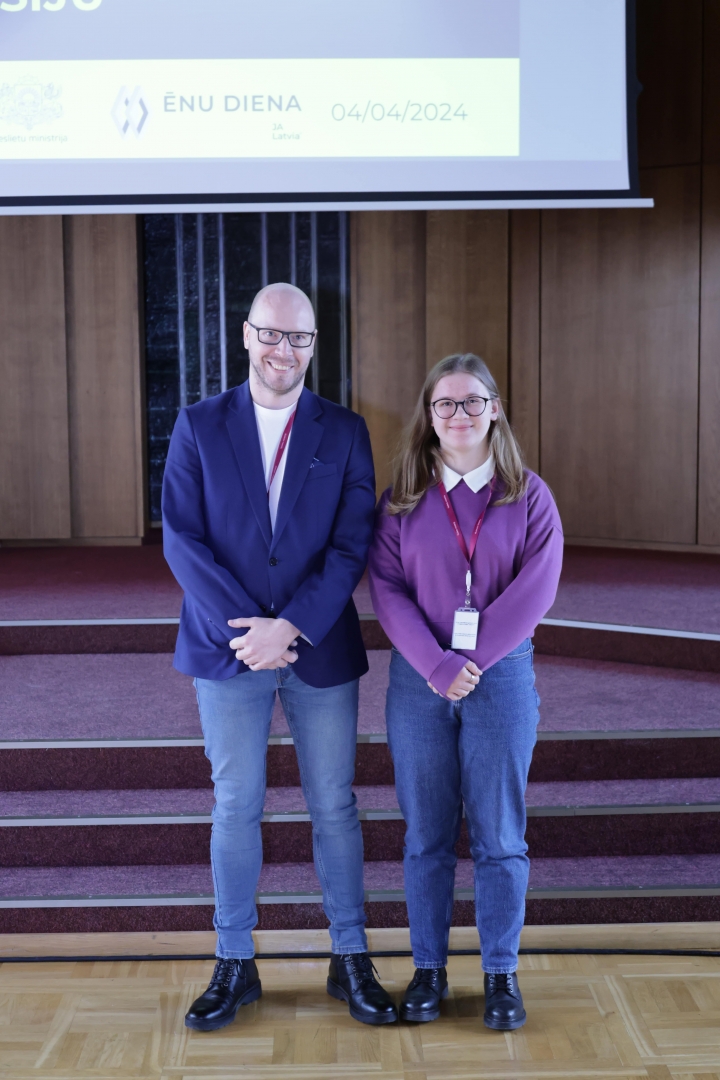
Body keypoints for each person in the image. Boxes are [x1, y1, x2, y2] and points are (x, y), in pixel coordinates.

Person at [163, 282, 398, 1030]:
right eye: (271, 334)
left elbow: (352, 544)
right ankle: (234, 961)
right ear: (246, 335)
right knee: (236, 804)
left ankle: (350, 958)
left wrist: (289, 627)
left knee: (334, 804)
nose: (283, 350)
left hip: (317, 645)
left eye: (299, 338)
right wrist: (251, 631)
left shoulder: (345, 430)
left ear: (313, 345)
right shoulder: (199, 424)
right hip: (227, 645)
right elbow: (181, 538)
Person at [368, 352, 563, 1031]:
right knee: (426, 835)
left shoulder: (528, 495)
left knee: (499, 835)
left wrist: (469, 661)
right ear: (429, 415)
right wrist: (435, 664)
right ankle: (429, 969)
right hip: (419, 680)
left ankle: (500, 973)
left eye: (472, 401)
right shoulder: (402, 497)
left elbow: (537, 588)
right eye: (445, 403)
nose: (459, 414)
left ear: (495, 409)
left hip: (500, 677)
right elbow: (386, 589)